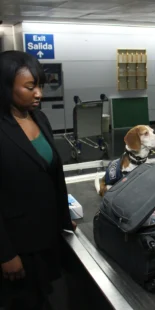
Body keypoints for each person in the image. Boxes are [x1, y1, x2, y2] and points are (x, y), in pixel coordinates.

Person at [0, 51, 76, 309]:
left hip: (47, 238)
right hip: (17, 245)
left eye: (40, 86)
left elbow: (52, 175)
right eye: (30, 87)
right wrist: (5, 253)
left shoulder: (39, 118)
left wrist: (64, 220)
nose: (39, 94)